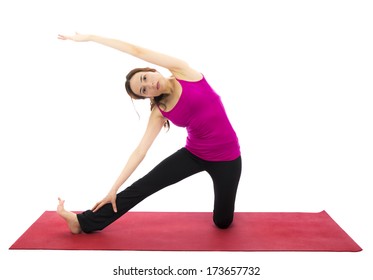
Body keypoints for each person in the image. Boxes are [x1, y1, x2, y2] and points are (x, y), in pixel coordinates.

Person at [56, 33, 242, 234]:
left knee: (222, 223)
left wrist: (92, 38)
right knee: (143, 186)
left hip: (228, 159)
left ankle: (222, 214)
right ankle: (82, 222)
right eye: (144, 90)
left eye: (145, 78)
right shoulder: (159, 111)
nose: (150, 85)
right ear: (147, 96)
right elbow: (140, 151)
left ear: (151, 70)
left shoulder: (182, 70)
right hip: (194, 155)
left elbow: (137, 51)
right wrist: (113, 189)